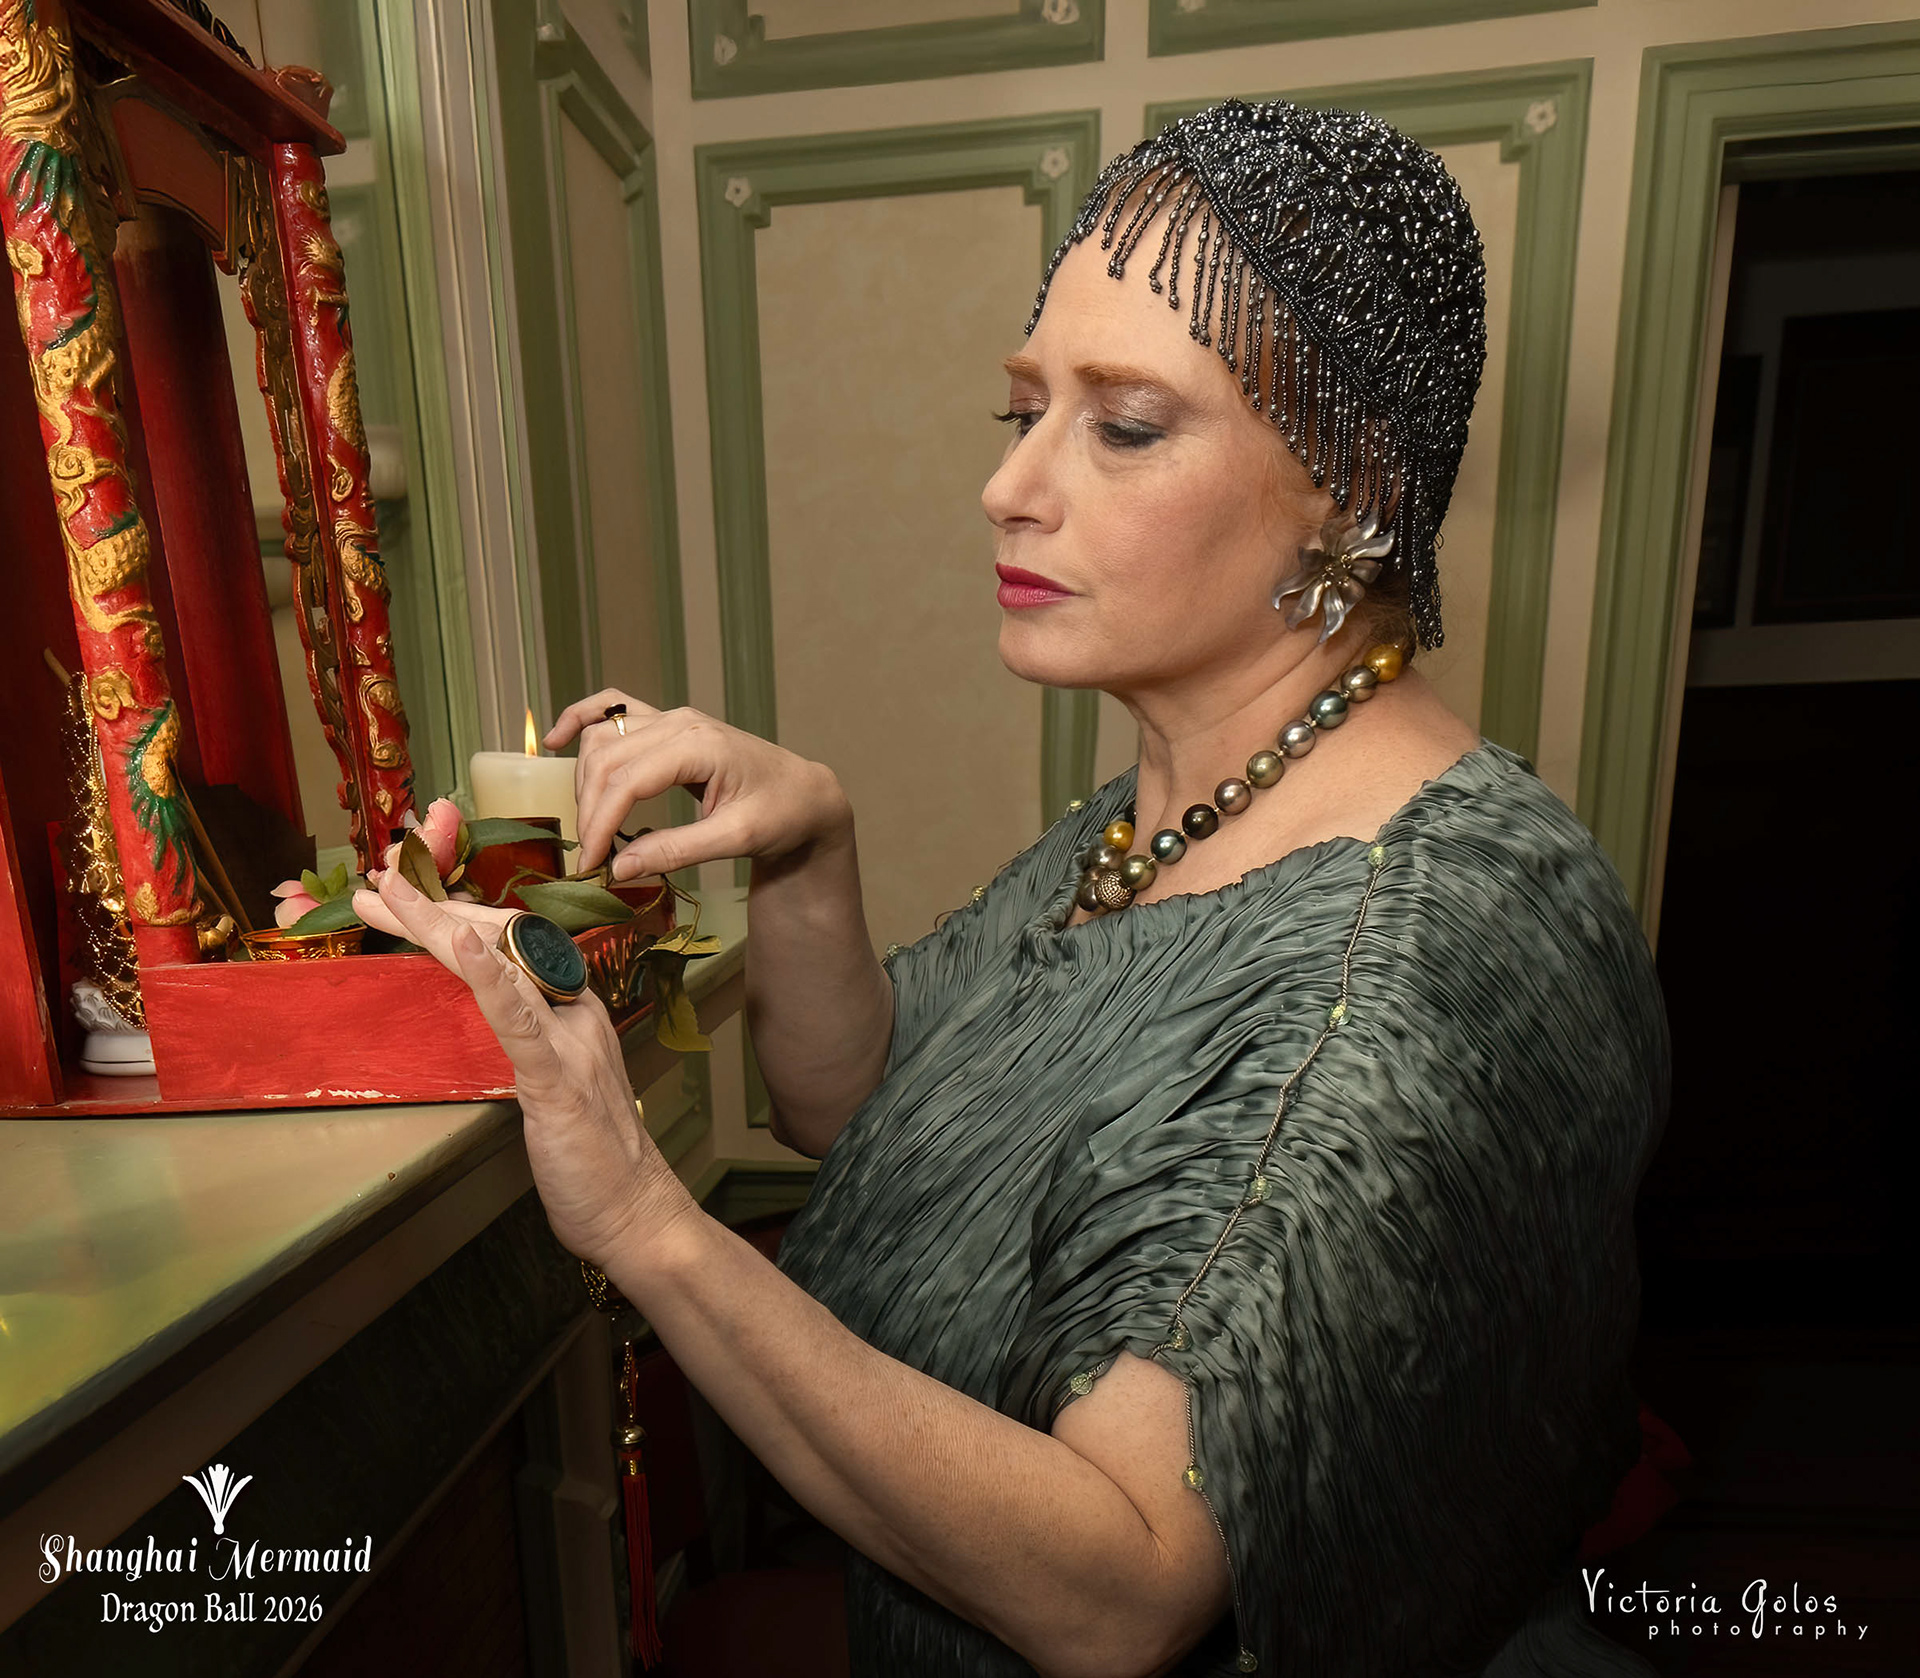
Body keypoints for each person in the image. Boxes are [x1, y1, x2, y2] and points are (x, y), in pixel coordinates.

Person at [357, 100, 1668, 1677]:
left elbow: (1117, 1589)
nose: (1009, 486)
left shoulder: (1412, 951)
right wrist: (808, 849)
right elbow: (857, 1111)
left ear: (1350, 480)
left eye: (1125, 425)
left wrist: (641, 1211)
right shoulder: (1164, 809)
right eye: (1023, 408)